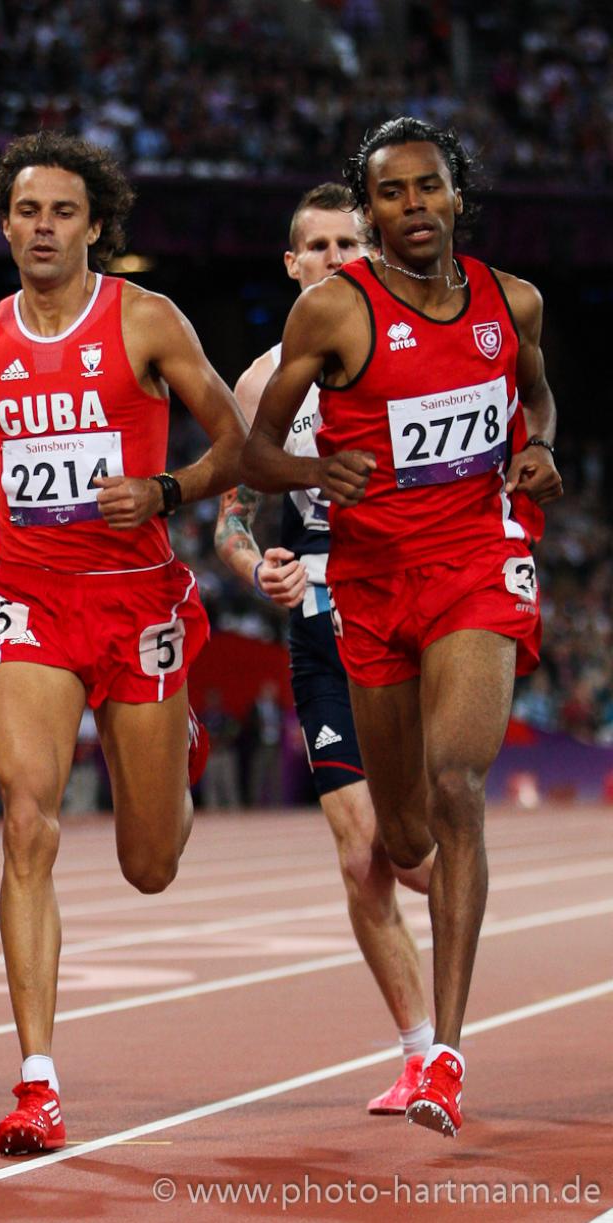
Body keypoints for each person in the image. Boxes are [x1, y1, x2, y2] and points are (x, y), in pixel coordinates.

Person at [0, 131, 245, 1155]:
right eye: (26, 210)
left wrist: (170, 488)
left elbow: (237, 441)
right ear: (4, 223)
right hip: (32, 600)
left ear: (95, 225)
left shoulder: (144, 318)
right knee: (27, 821)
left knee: (149, 863)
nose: (43, 227)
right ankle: (37, 1080)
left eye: (63, 211)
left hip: (137, 601)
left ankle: (178, 754)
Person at [242, 118, 562, 1137]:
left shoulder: (512, 300)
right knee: (402, 830)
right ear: (369, 209)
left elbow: (538, 396)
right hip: (368, 593)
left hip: (476, 563)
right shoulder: (334, 315)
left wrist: (540, 447)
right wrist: (310, 471)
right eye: (391, 193)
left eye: (429, 188)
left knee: (459, 788)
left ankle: (445, 1057)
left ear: (456, 196)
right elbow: (257, 453)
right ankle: (434, 1023)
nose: (413, 206)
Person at [216, 182, 435, 1115]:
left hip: (422, 607)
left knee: (425, 850)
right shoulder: (263, 382)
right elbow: (231, 517)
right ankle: (424, 1050)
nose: (340, 258)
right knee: (362, 857)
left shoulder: (423, 354)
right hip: (320, 622)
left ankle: (462, 880)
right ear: (294, 263)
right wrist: (254, 565)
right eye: (321, 246)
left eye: (355, 243)